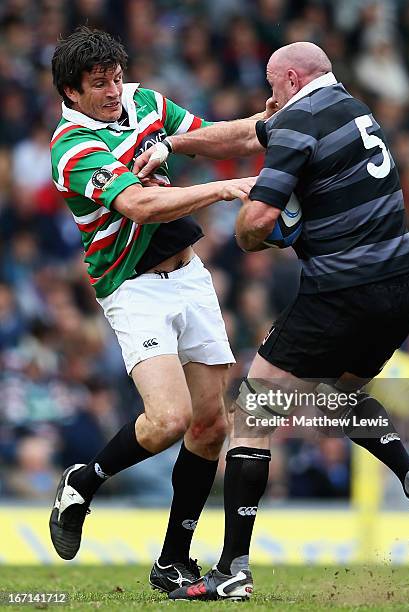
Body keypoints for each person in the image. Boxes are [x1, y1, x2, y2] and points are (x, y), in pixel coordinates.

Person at [135, 41, 409, 602]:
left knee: (256, 405)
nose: (267, 101)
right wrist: (170, 145)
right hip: (400, 291)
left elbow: (256, 222)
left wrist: (252, 231)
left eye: (272, 89)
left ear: (288, 80)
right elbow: (243, 137)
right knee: (336, 398)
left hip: (341, 291)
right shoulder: (353, 111)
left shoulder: (298, 122)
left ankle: (233, 566)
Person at [48, 26, 261, 593]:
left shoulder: (142, 100)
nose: (114, 90)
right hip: (132, 287)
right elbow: (138, 203)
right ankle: (85, 480)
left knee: (212, 426)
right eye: (99, 84)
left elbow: (212, 136)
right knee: (169, 420)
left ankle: (172, 562)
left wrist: (275, 124)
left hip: (190, 276)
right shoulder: (71, 149)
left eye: (116, 77)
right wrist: (222, 190)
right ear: (71, 92)